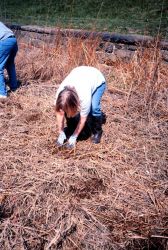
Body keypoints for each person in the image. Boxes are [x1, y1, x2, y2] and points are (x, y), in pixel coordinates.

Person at [55, 66, 106, 149]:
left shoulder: (84, 96)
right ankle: (71, 127)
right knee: (67, 110)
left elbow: (83, 119)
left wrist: (74, 136)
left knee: (94, 108)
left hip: (97, 80)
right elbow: (59, 112)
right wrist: (61, 132)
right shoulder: (59, 96)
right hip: (80, 73)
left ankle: (97, 131)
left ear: (76, 103)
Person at [0, 22, 18, 98]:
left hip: (5, 41)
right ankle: (14, 87)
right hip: (13, 40)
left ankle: (2, 93)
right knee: (10, 65)